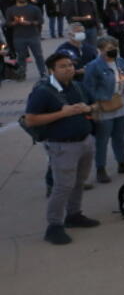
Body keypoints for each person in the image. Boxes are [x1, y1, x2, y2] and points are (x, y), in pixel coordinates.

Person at [25, 52, 100, 245]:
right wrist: (61, 113)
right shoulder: (43, 91)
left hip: (85, 141)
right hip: (62, 146)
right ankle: (54, 226)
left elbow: (96, 104)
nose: (68, 69)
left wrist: (89, 108)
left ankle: (74, 215)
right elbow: (31, 119)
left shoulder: (78, 86)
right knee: (62, 186)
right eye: (63, 66)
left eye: (70, 65)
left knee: (79, 181)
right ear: (52, 70)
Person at [82, 35, 124, 184]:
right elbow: (88, 87)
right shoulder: (94, 66)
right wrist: (97, 101)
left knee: (119, 136)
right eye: (109, 49)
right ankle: (100, 168)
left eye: (115, 48)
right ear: (100, 50)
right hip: (104, 105)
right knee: (102, 139)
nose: (113, 51)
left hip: (122, 102)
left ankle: (122, 163)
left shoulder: (121, 62)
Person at [6, 0, 46, 79]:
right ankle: (22, 74)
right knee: (21, 56)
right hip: (18, 37)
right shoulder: (11, 10)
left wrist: (30, 23)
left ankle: (43, 72)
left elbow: (41, 21)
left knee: (38, 55)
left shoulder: (34, 8)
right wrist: (15, 22)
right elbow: (8, 23)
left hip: (33, 35)